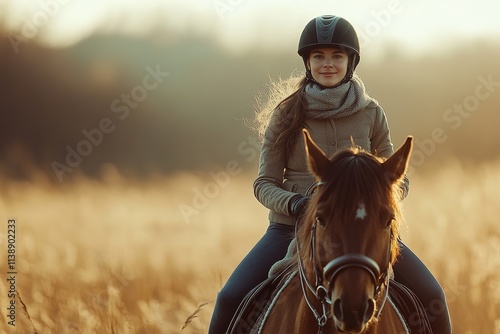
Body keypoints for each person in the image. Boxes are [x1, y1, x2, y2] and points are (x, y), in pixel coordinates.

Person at [208, 15, 452, 334]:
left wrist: (376, 199)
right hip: (289, 229)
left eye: (337, 56)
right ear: (307, 63)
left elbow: (397, 178)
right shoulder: (285, 115)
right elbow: (263, 183)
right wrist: (297, 204)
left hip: (365, 231)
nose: (328, 64)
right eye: (318, 56)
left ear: (350, 62)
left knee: (433, 296)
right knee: (229, 298)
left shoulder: (372, 113)